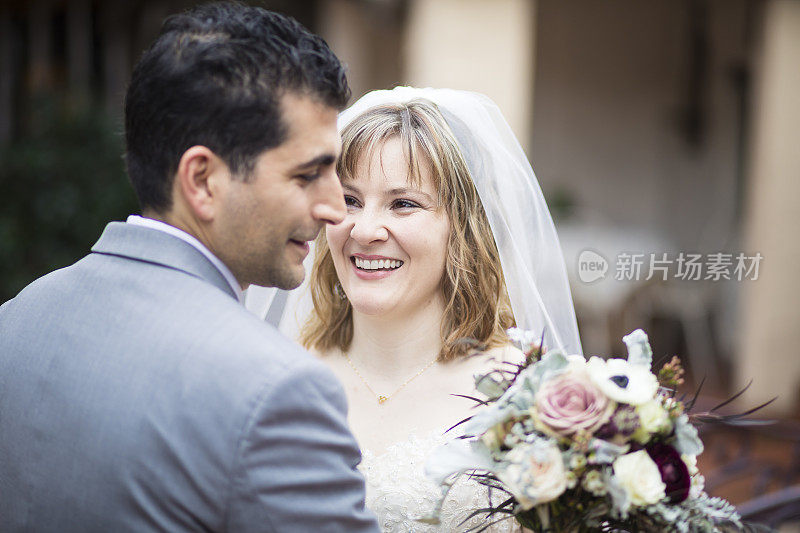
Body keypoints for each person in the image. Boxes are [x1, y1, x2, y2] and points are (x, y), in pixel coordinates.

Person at [0, 3, 379, 532]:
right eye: (307, 174)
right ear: (202, 180)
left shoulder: (16, 319)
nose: (336, 207)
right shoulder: (275, 390)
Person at [253, 87, 582, 531]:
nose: (365, 230)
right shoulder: (278, 381)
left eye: (403, 203)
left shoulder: (524, 394)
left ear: (462, 230)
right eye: (349, 200)